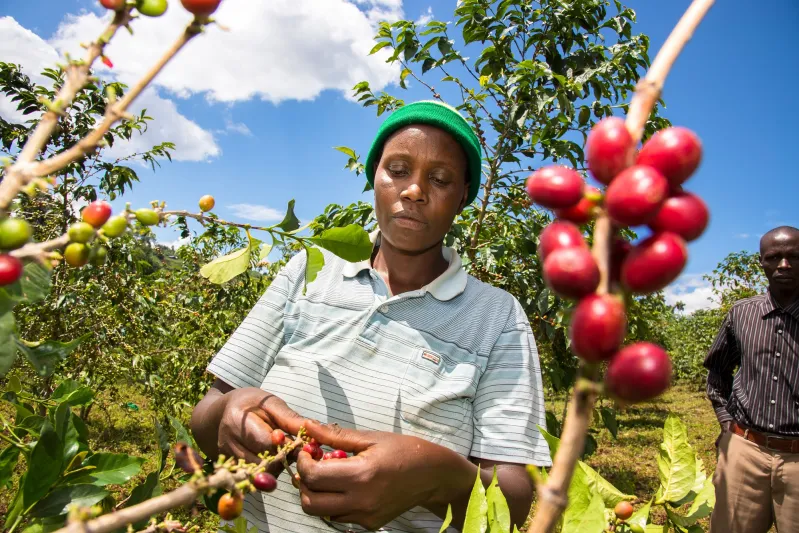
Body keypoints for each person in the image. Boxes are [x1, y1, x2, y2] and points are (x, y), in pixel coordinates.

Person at [190, 100, 552, 533]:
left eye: (440, 179)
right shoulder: (310, 270)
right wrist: (230, 412)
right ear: (374, 179)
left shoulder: (497, 317)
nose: (414, 190)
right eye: (397, 170)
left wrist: (434, 477)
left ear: (461, 200)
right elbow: (208, 415)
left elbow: (511, 503)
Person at [704, 225, 799, 532]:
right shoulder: (742, 314)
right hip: (745, 450)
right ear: (762, 262)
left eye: (794, 257)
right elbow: (717, 371)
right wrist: (726, 422)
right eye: (774, 257)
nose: (783, 265)